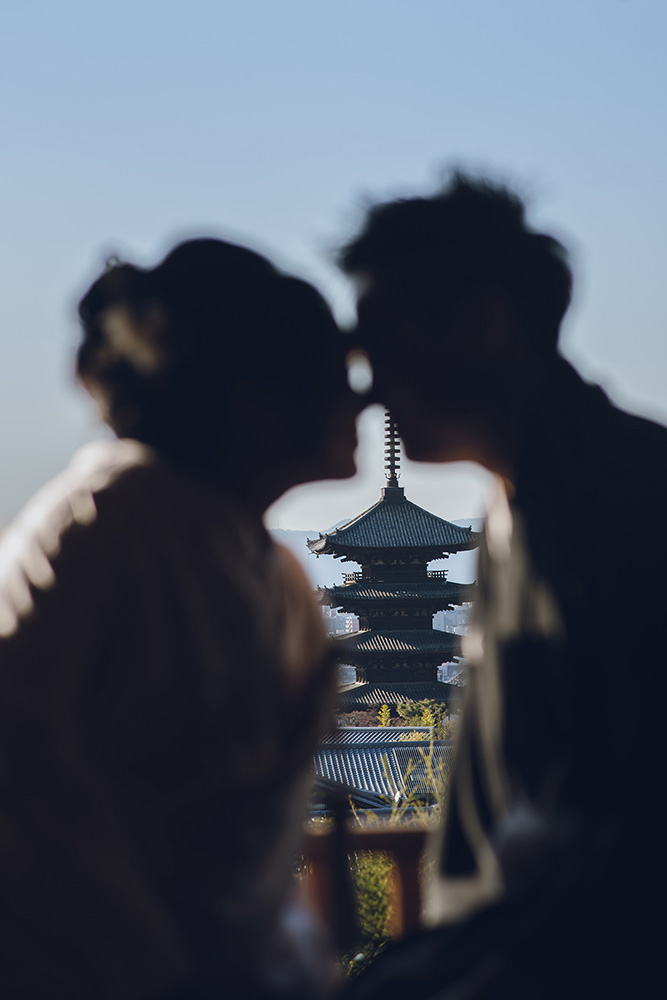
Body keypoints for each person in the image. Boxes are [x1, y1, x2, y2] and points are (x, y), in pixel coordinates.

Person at [0, 238, 358, 999]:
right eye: (331, 375)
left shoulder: (236, 548)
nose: (361, 399)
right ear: (256, 397)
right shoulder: (120, 524)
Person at [337, 174, 667, 997]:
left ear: (484, 324)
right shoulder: (523, 500)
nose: (370, 386)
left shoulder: (632, 508)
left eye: (384, 343)